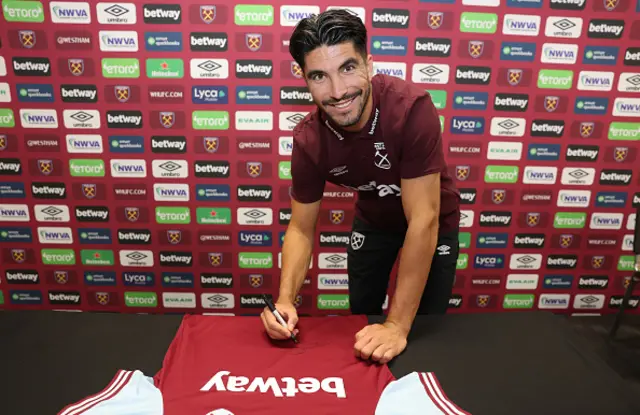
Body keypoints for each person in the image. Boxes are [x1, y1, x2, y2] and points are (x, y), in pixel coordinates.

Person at [260, 9, 461, 364]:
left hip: (433, 223)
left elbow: (423, 220)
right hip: (373, 222)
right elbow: (301, 228)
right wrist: (285, 301)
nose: (338, 92)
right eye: (319, 76)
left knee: (423, 329)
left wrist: (398, 324)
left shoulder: (411, 109)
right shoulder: (309, 140)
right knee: (363, 320)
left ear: (369, 64)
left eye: (348, 68)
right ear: (303, 78)